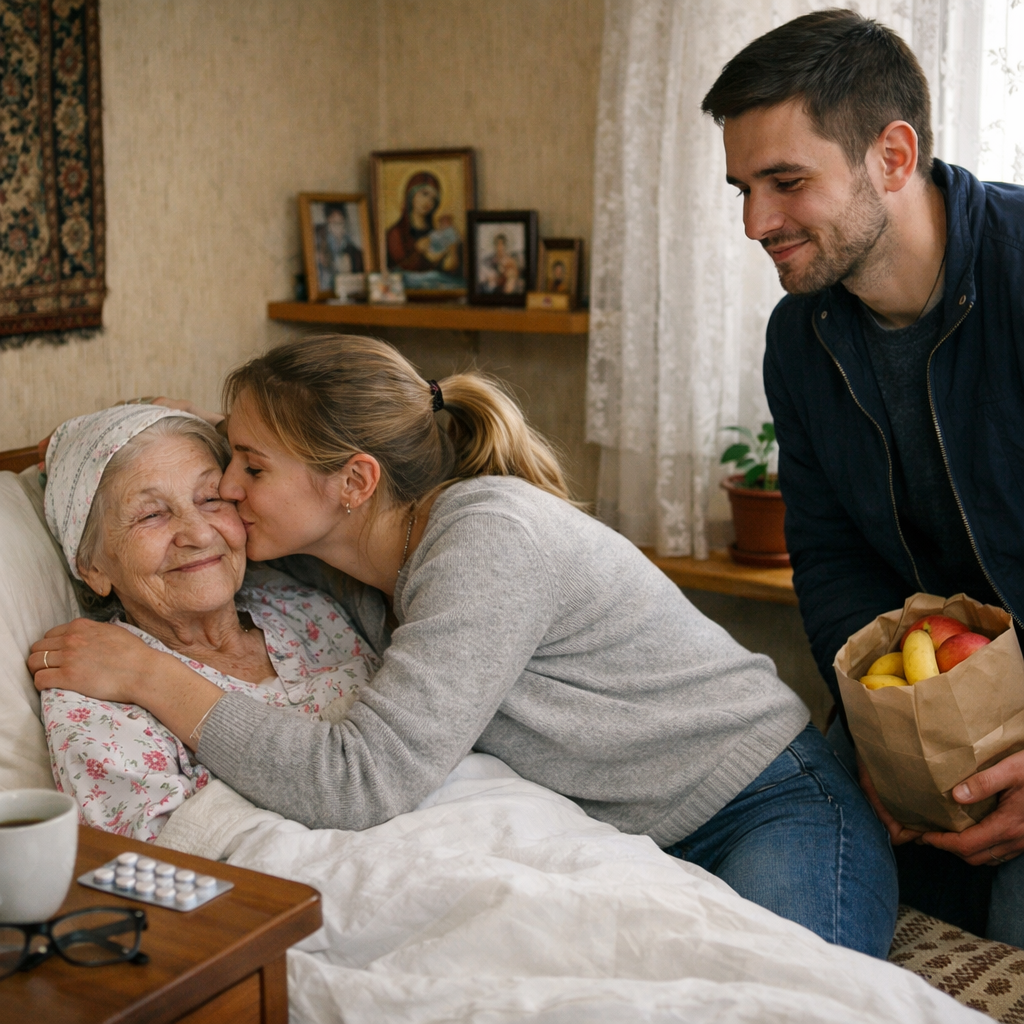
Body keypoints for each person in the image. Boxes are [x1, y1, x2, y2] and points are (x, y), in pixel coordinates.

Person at [32, 334, 898, 957]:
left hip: (766, 802)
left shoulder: (487, 540)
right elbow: (159, 526)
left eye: (245, 469)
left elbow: (364, 778)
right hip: (631, 835)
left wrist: (155, 678)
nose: (224, 491)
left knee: (782, 994)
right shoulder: (338, 566)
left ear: (354, 481)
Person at [702, 9, 1024, 943]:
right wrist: (883, 737)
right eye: (742, 189)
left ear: (892, 153)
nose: (757, 223)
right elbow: (832, 557)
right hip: (925, 723)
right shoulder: (797, 340)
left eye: (786, 182)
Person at [38, 404, 377, 841]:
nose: (198, 534)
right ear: (93, 568)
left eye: (210, 499)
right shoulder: (91, 696)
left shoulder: (301, 603)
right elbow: (166, 865)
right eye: (150, 515)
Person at [386, 172, 462, 280]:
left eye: (433, 199)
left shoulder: (436, 234)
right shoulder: (395, 233)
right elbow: (397, 267)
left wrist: (452, 249)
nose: (428, 202)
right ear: (411, 194)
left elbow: (450, 268)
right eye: (424, 194)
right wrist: (417, 250)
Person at [314, 205, 365, 293]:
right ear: (327, 223)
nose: (337, 227)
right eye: (333, 223)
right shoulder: (319, 242)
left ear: (344, 222)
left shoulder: (352, 249)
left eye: (340, 223)